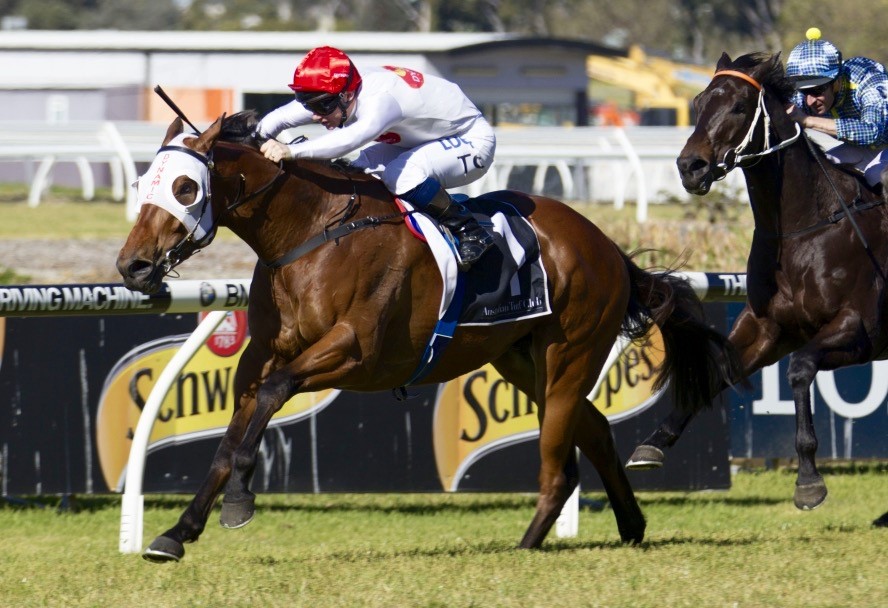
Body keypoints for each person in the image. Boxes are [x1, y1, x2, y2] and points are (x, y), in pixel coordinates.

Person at [255, 46, 496, 270]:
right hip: (422, 139)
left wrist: (290, 151)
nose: (316, 116)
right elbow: (278, 119)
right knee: (354, 173)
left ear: (348, 95)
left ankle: (469, 229)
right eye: (309, 106)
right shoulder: (333, 94)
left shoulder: (381, 100)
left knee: (401, 175)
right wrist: (253, 140)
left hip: (471, 138)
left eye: (321, 107)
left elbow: (348, 140)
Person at [784, 27, 888, 188]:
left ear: (837, 82)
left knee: (876, 175)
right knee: (818, 168)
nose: (810, 101)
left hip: (877, 138)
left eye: (817, 90)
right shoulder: (804, 97)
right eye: (804, 91)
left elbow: (872, 131)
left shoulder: (868, 79)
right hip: (864, 148)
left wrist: (807, 120)